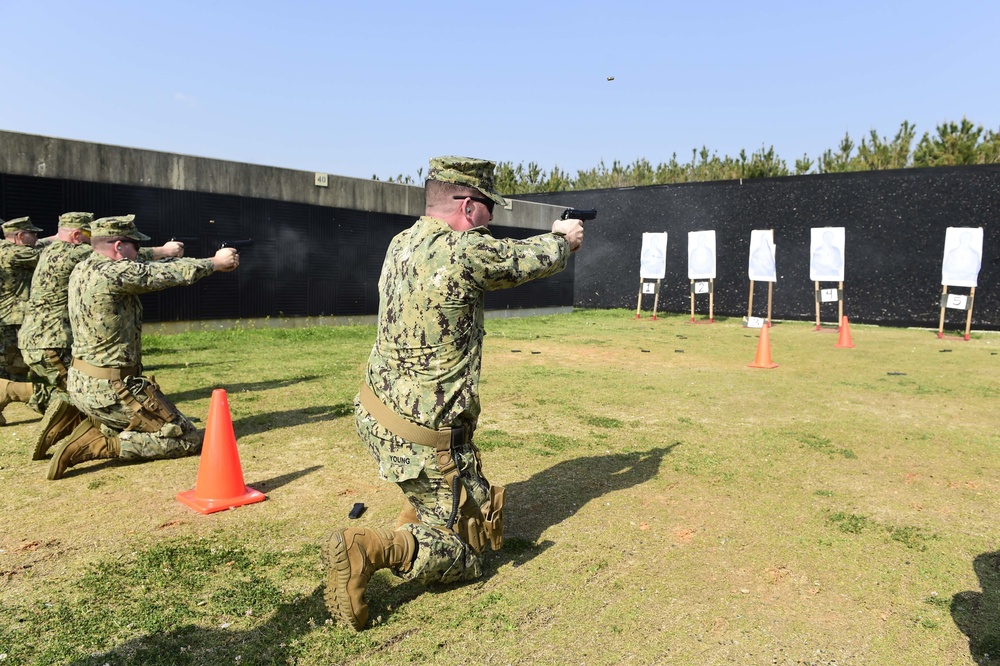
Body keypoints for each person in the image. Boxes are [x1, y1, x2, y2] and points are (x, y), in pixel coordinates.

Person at [321, 156, 584, 631]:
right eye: (488, 210)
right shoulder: (464, 250)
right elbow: (523, 259)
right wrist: (562, 239)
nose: (491, 222)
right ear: (466, 206)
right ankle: (374, 549)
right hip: (425, 438)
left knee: (458, 500)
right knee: (471, 549)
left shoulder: (401, 242)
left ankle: (427, 507)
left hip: (377, 411)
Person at [46, 214, 239, 480]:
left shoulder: (84, 267)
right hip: (111, 390)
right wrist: (215, 263)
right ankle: (99, 444)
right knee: (187, 439)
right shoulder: (113, 273)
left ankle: (96, 425)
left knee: (166, 426)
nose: (139, 252)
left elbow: (149, 264)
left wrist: (194, 259)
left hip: (83, 381)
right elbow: (157, 273)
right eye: (135, 245)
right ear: (118, 246)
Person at [1, 212, 185, 455]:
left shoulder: (53, 249)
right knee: (81, 395)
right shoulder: (77, 253)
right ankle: (87, 437)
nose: (95, 240)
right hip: (50, 339)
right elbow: (116, 257)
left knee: (77, 392)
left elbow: (45, 242)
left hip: (40, 336)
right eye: (91, 236)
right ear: (77, 236)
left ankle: (76, 430)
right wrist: (164, 251)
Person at [0, 216, 46, 382]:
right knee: (13, 359)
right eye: (32, 234)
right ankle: (11, 390)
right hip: (13, 317)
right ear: (20, 236)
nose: (36, 238)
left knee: (8, 358)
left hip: (7, 316)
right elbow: (47, 256)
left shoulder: (4, 249)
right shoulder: (15, 252)